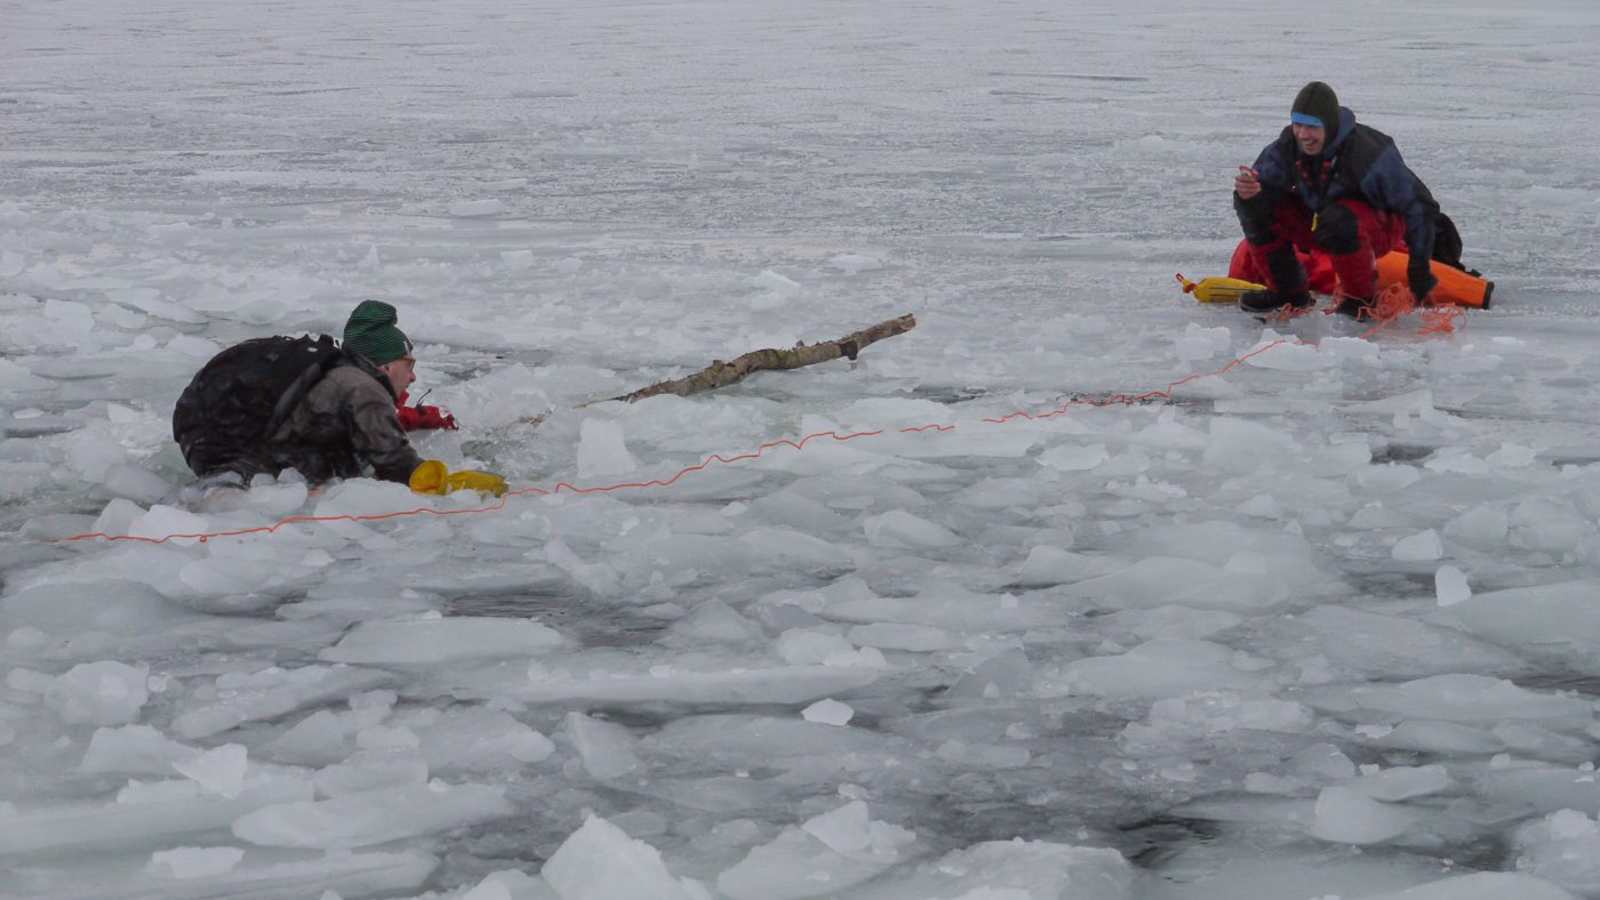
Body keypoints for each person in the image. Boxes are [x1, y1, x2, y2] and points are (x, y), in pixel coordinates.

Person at [172, 300, 506, 496]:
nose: (414, 376)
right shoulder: (363, 387)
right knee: (231, 494)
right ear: (387, 365)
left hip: (203, 432)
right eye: (410, 366)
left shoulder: (333, 373)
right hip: (229, 448)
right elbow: (396, 464)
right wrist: (453, 484)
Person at [1232, 81, 1441, 317]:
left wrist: (1419, 270)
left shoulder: (1368, 153)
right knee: (1253, 202)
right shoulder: (1287, 146)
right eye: (1297, 125)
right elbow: (1264, 187)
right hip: (1322, 223)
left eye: (1311, 127)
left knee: (1337, 219)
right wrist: (1250, 193)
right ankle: (1290, 291)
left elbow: (1420, 206)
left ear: (1329, 127)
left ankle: (1360, 299)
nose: (1302, 135)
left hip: (1378, 228)